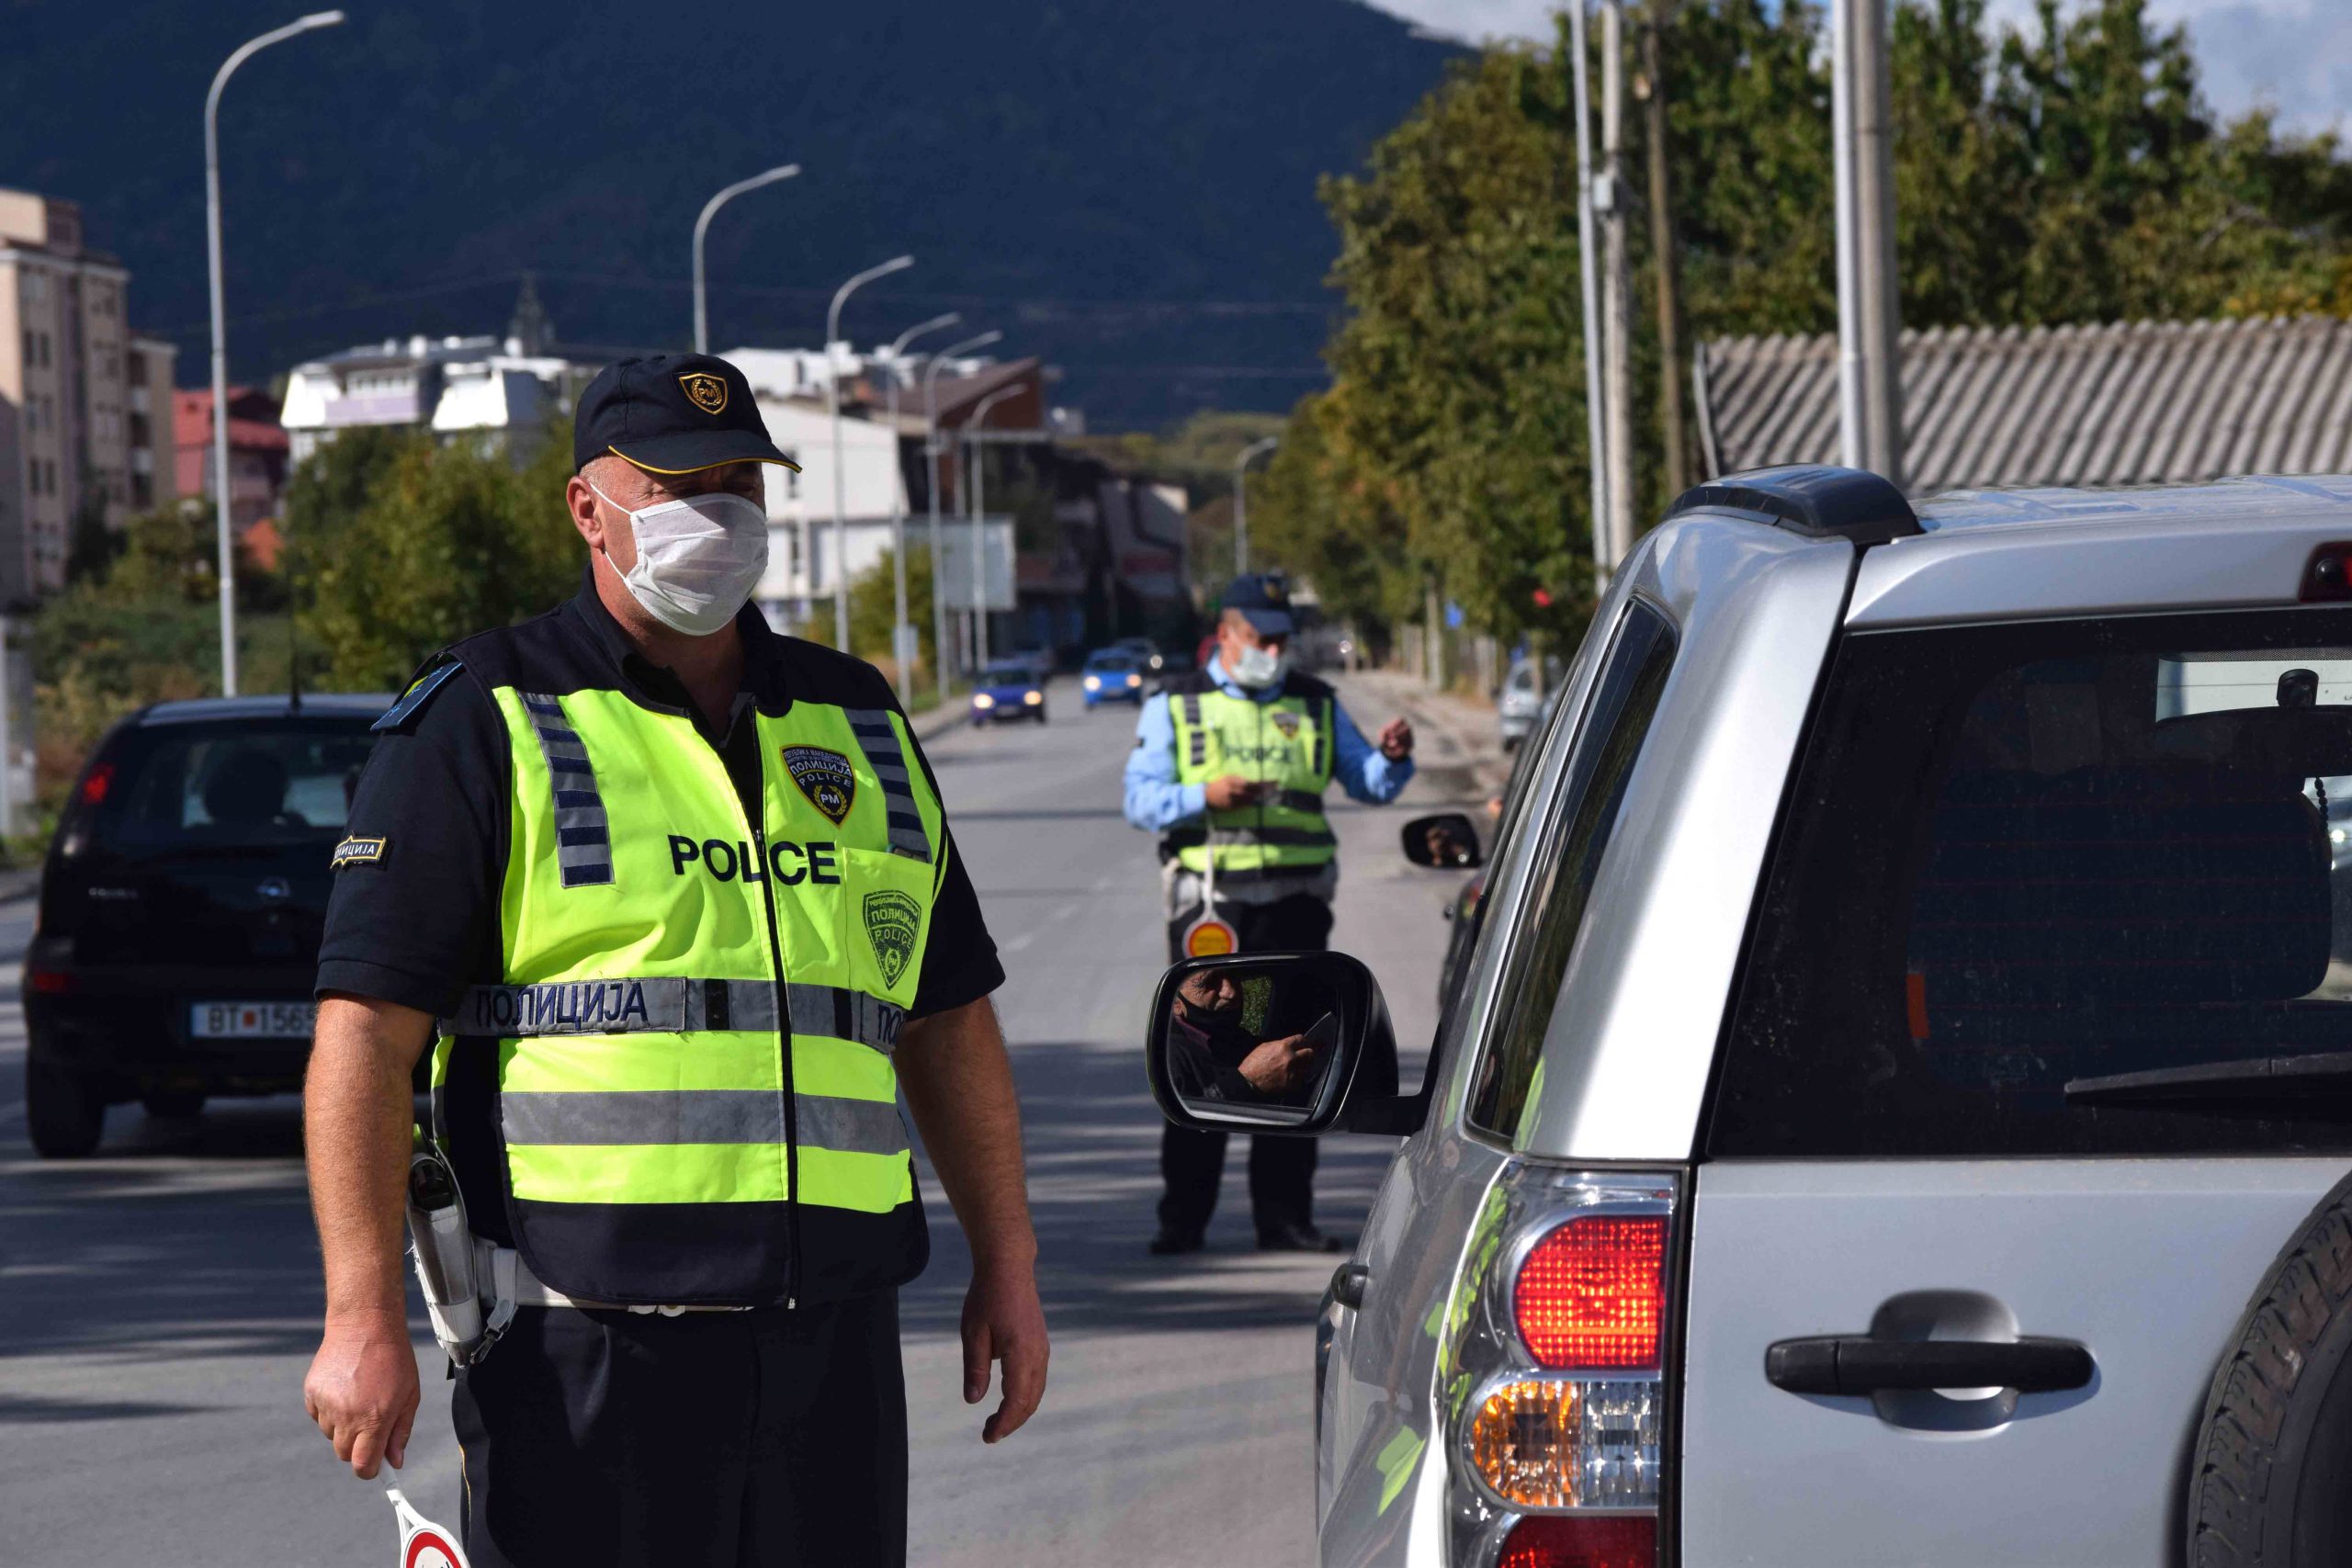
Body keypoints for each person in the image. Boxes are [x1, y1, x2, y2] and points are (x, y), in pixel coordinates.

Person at [299, 353, 1048, 1568]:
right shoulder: (487, 713)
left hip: (833, 1347)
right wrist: (358, 1315)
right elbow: (364, 1038)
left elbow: (947, 1021)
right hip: (586, 1345)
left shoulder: (858, 718)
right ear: (586, 508)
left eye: (742, 477)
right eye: (678, 482)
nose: (721, 508)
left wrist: (1008, 1263)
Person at [1123, 574, 1414, 1254]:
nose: (1274, 651)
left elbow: (1366, 779)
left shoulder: (1313, 701)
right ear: (1225, 635)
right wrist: (1206, 794)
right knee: (1196, 1055)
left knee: (1296, 1054)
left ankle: (1283, 1216)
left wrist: (1393, 761)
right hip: (1212, 910)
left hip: (1296, 904)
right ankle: (1183, 1217)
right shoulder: (1176, 705)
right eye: (1260, 639)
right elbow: (1139, 800)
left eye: (1281, 639)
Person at [1163, 968, 1322, 1106]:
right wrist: (1247, 1081)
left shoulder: (1244, 1042)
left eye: (1234, 976)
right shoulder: (1170, 1057)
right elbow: (1187, 1124)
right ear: (1176, 1004)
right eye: (1210, 982)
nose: (1231, 992)